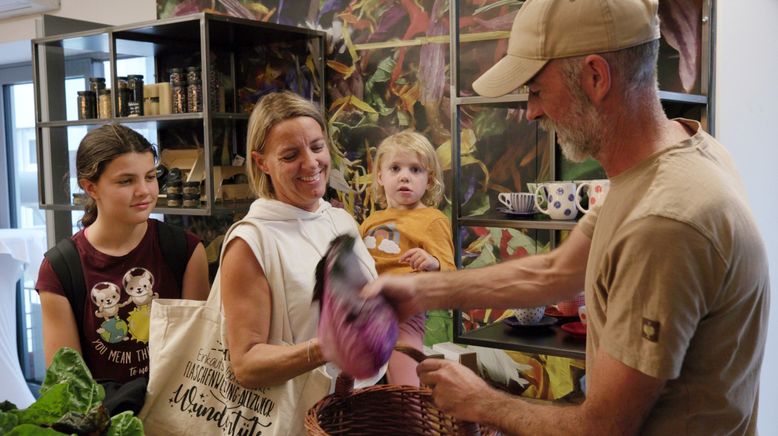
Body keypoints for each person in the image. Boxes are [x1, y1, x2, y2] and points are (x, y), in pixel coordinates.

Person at [362, 0, 770, 434]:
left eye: (536, 90)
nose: (532, 111)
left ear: (595, 77)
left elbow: (602, 428)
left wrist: (482, 403)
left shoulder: (663, 222)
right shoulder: (675, 156)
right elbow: (555, 270)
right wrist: (419, 291)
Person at [217, 91, 382, 433]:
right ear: (261, 162)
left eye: (317, 147)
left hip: (362, 413)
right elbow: (246, 365)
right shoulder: (251, 242)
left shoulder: (339, 220)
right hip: (299, 422)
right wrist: (328, 345)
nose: (311, 163)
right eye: (291, 155)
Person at [36, 124, 210, 384]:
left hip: (174, 415)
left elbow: (201, 356)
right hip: (103, 420)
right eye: (126, 181)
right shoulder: (60, 267)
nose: (144, 191)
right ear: (91, 188)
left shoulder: (185, 250)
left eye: (150, 177)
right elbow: (67, 385)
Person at [359, 131, 455, 386]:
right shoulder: (370, 221)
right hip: (366, 308)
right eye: (395, 168)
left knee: (403, 372)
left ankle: (410, 411)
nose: (405, 176)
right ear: (379, 176)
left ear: (429, 180)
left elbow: (452, 275)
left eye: (415, 170)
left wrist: (433, 262)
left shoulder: (432, 219)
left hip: (404, 310)